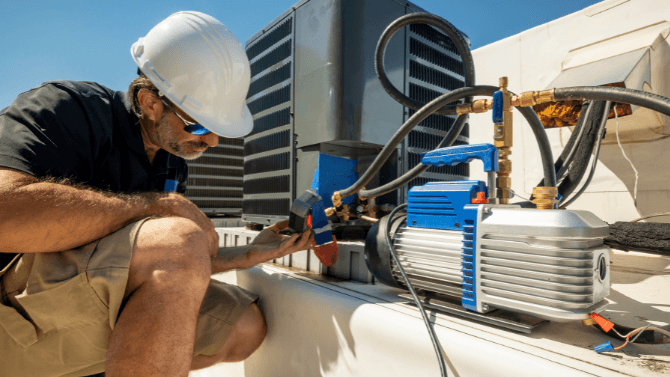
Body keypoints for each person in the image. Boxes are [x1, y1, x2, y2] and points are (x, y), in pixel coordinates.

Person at [0, 11, 313, 377]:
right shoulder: (69, 110)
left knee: (243, 326)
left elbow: (161, 266)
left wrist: (245, 254)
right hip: (11, 319)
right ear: (150, 102)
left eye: (219, 130)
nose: (211, 141)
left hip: (65, 315)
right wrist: (154, 206)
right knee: (178, 239)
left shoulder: (170, 162)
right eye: (200, 123)